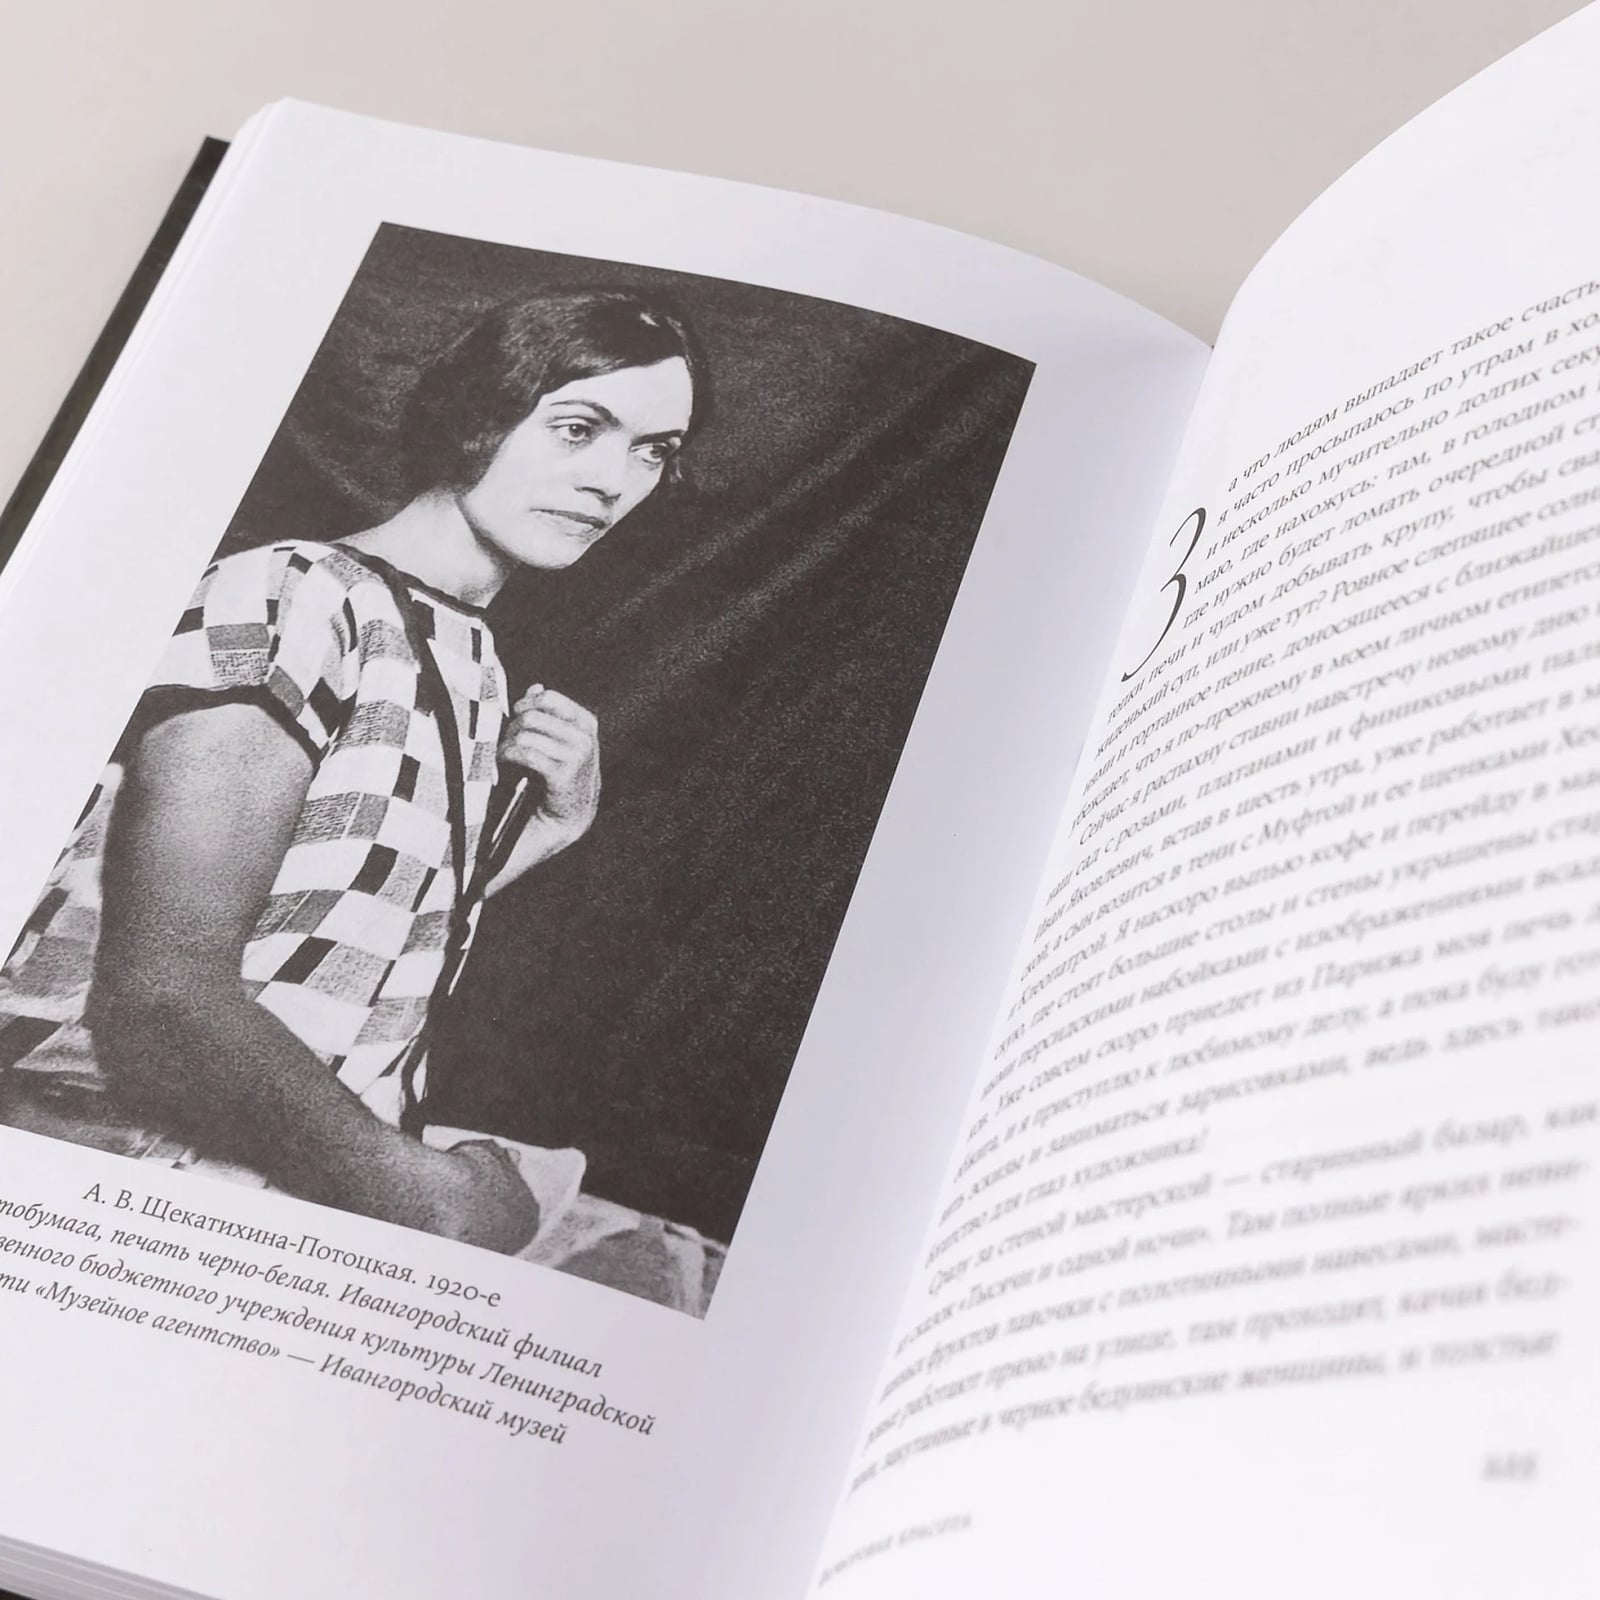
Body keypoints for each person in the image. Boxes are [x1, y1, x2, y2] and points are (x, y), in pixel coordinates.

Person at [0, 289, 699, 1272]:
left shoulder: (473, 656)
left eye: (653, 452)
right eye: (579, 428)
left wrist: (551, 831)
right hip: (120, 1188)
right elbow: (162, 1000)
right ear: (480, 414)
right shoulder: (294, 593)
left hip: (287, 1178)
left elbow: (332, 926)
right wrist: (433, 1200)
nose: (611, 482)